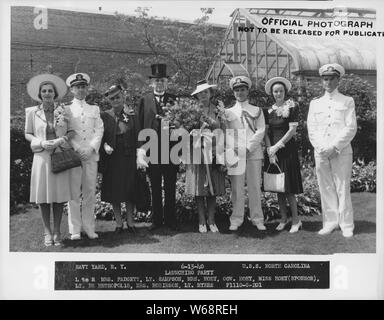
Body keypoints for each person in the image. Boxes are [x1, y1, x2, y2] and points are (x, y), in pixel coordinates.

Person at [307, 63, 357, 237]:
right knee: (325, 187)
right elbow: (311, 129)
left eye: (331, 79)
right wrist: (322, 148)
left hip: (341, 151)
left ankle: (346, 224)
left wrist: (335, 147)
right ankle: (330, 222)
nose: (327, 82)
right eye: (325, 79)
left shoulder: (347, 101)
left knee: (342, 186)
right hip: (321, 152)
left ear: (338, 80)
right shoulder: (315, 103)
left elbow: (351, 127)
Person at [24, 73, 72, 246]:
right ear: (39, 94)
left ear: (55, 93)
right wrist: (41, 142)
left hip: (58, 155)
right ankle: (47, 232)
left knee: (58, 196)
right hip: (42, 157)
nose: (47, 93)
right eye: (44, 91)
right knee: (43, 196)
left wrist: (60, 140)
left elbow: (71, 131)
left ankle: (58, 232)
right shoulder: (32, 112)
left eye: (50, 91)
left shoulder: (63, 110)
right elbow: (27, 133)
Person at [99, 84, 147, 233]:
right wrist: (104, 145)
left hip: (128, 157)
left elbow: (139, 136)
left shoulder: (132, 115)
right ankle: (119, 224)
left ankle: (130, 223)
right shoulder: (105, 116)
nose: (115, 100)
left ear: (123, 97)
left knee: (129, 191)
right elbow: (99, 136)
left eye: (118, 97)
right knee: (115, 192)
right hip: (112, 159)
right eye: (112, 98)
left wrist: (140, 157)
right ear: (109, 100)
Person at [137, 63, 179, 231]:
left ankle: (170, 219)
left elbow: (180, 124)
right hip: (152, 149)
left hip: (171, 150)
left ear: (166, 82)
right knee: (154, 185)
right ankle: (156, 220)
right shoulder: (144, 100)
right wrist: (140, 150)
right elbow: (140, 125)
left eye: (162, 80)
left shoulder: (173, 99)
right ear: (151, 83)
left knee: (170, 186)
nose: (159, 83)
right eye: (156, 81)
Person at [64, 73, 104, 240]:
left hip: (90, 155)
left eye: (83, 86)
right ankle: (74, 229)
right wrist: (78, 148)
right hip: (74, 155)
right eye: (77, 87)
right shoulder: (65, 108)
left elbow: (99, 129)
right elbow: (65, 131)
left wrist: (91, 148)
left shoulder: (94, 109)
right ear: (72, 89)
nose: (81, 89)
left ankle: (88, 227)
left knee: (89, 193)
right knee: (73, 193)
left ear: (87, 89)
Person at [224, 76, 266, 231]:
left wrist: (248, 148)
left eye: (242, 89)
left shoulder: (257, 110)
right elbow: (227, 132)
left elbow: (261, 130)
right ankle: (236, 218)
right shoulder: (227, 112)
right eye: (237, 90)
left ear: (248, 90)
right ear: (233, 92)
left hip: (253, 153)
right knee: (237, 188)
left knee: (255, 186)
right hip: (235, 154)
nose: (240, 92)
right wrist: (236, 150)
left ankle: (257, 218)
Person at [263, 77, 304, 233]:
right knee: (277, 186)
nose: (278, 93)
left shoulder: (292, 107)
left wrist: (278, 146)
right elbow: (266, 132)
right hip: (272, 151)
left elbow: (292, 131)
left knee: (289, 188)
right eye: (275, 91)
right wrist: (269, 149)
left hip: (287, 150)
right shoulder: (267, 110)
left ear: (285, 92)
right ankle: (283, 218)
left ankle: (296, 220)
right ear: (272, 93)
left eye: (280, 91)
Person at [185, 80, 226, 233]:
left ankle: (212, 220)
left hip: (213, 151)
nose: (203, 95)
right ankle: (201, 220)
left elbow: (222, 130)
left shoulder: (218, 111)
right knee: (199, 187)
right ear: (196, 96)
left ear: (210, 94)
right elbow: (184, 129)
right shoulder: (190, 110)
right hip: (196, 151)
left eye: (206, 92)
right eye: (200, 93)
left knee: (212, 187)